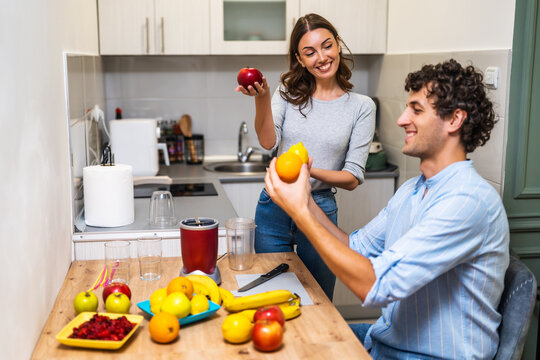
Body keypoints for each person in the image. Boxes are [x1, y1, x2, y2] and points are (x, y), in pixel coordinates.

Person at [263, 59, 510, 358]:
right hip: (386, 344)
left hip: (427, 356)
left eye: (416, 110)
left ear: (455, 120)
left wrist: (301, 213)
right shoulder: (413, 190)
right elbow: (356, 247)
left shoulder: (467, 202)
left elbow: (375, 285)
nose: (401, 119)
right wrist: (304, 202)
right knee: (288, 339)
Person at [236, 13, 375, 300]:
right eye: (309, 52)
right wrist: (261, 98)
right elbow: (267, 142)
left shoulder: (361, 107)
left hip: (320, 208)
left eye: (327, 46)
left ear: (338, 45)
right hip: (274, 207)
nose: (321, 57)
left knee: (318, 299)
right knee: (270, 296)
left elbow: (351, 178)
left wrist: (306, 171)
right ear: (300, 59)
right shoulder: (286, 92)